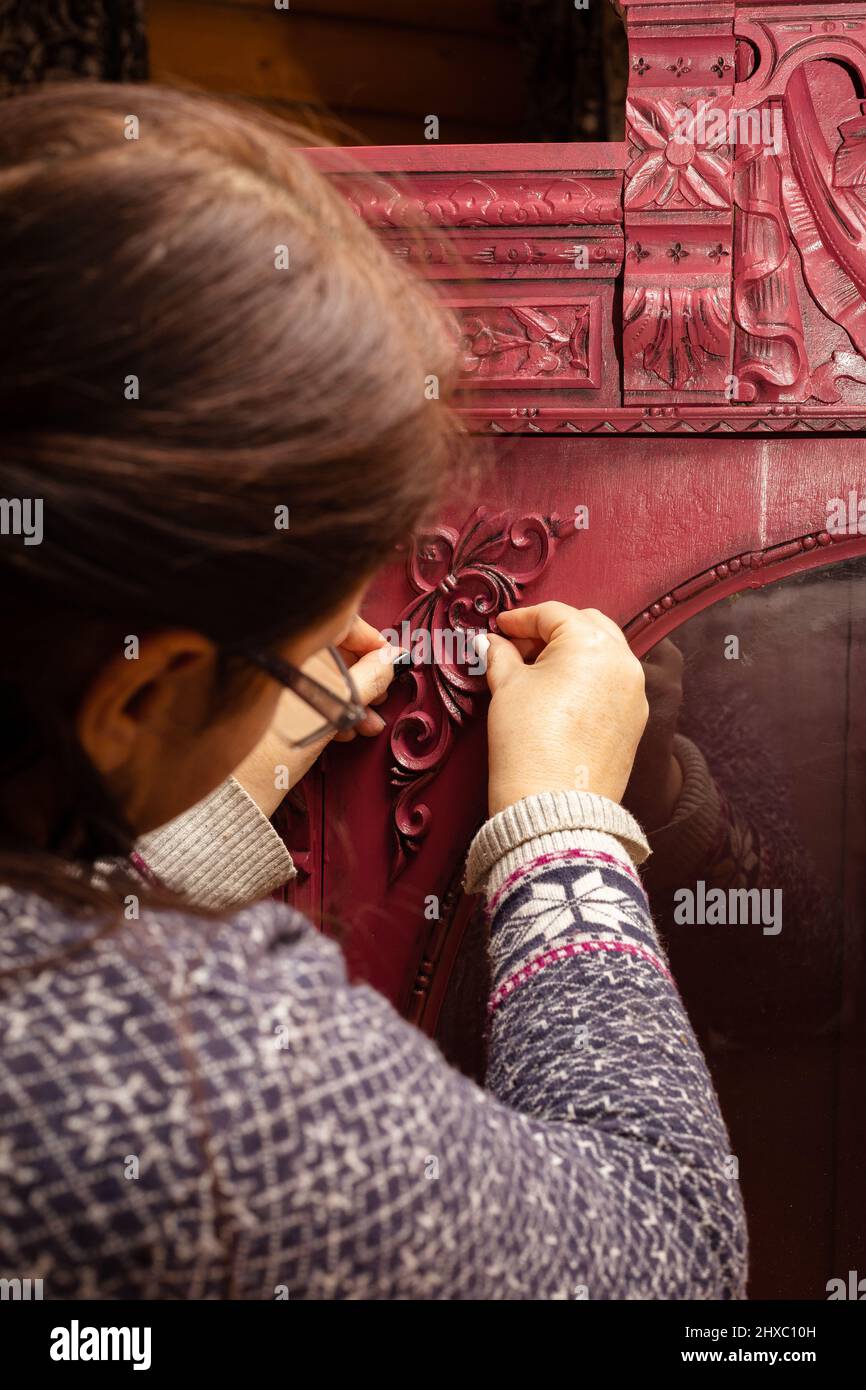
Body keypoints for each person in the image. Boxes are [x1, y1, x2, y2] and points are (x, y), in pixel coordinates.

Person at [0, 84, 747, 1300]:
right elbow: (662, 1255)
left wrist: (164, 820)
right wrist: (559, 832)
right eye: (297, 648)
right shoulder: (191, 1071)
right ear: (137, 704)